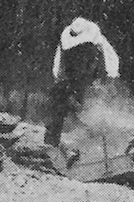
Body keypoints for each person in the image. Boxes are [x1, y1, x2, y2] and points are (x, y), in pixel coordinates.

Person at [45, 17, 119, 147]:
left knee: (95, 110)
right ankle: (53, 144)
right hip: (72, 79)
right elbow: (59, 62)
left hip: (93, 78)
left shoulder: (98, 43)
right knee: (59, 104)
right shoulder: (66, 45)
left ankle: (93, 144)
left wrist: (109, 78)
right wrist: (59, 78)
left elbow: (111, 60)